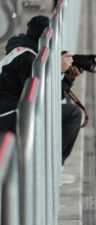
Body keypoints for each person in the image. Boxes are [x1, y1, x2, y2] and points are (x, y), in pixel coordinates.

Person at [0, 15, 83, 163]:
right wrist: (58, 71)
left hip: (12, 110)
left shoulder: (23, 51)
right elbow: (42, 101)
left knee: (66, 108)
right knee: (73, 114)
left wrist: (67, 78)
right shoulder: (27, 59)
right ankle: (51, 169)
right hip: (7, 116)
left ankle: (48, 171)